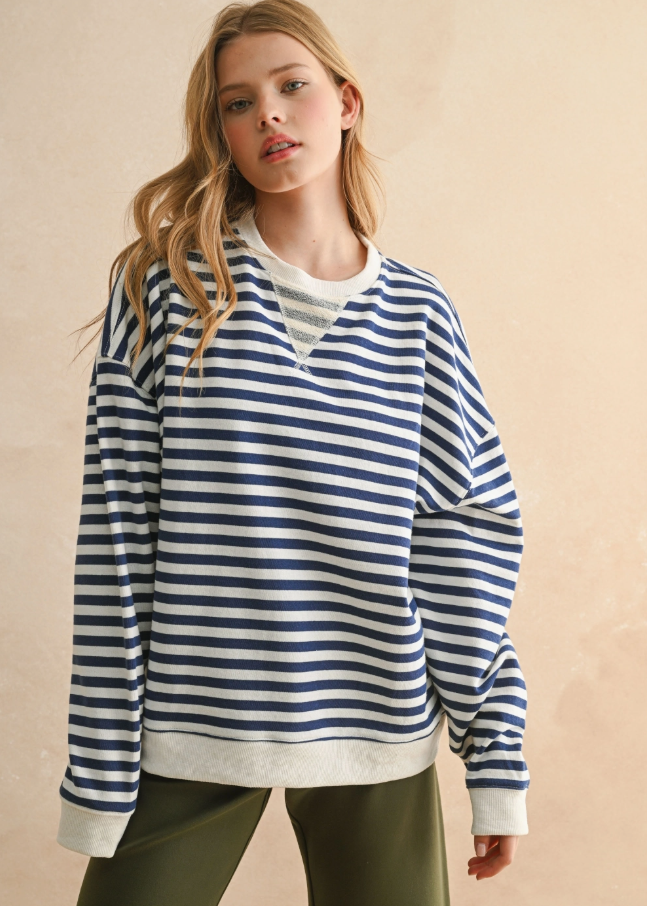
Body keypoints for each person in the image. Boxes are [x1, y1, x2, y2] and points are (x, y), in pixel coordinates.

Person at [58, 1, 529, 903]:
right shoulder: (166, 287)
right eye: (237, 103)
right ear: (222, 133)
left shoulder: (419, 314)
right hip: (192, 721)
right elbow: (117, 539)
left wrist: (495, 756)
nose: (267, 113)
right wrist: (101, 771)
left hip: (377, 720)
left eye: (291, 86)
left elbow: (462, 539)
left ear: (345, 102)